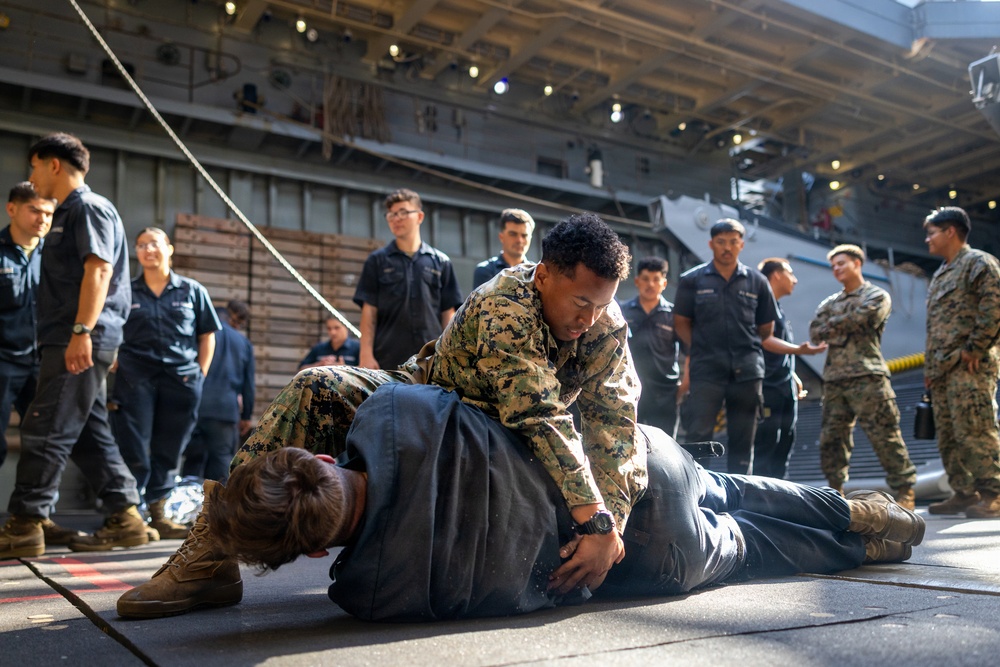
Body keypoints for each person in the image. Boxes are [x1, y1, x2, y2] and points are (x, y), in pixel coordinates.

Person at [117, 212, 645, 618]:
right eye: (580, 302)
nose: (590, 318)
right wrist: (592, 517)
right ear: (544, 275)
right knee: (318, 385)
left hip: (500, 441)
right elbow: (540, 413)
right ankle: (213, 549)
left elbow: (616, 424)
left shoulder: (604, 325)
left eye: (601, 305)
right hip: (430, 402)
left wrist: (610, 527)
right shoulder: (506, 302)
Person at [206, 382, 924, 622]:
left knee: (758, 547)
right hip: (636, 463)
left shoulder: (369, 593)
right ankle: (863, 510)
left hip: (655, 565)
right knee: (733, 486)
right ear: (323, 456)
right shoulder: (394, 413)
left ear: (306, 549)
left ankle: (864, 544)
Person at [0, 132, 147, 558]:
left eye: (34, 166)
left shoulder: (86, 208)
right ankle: (126, 517)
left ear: (54, 165)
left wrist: (82, 332)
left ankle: (25, 524)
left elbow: (99, 271)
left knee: (45, 426)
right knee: (86, 431)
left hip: (76, 338)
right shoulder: (74, 212)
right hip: (72, 337)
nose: (32, 176)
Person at [673, 219, 825, 474]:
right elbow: (681, 323)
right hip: (707, 370)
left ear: (741, 245)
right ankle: (697, 496)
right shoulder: (692, 280)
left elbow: (765, 329)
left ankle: (738, 501)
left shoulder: (757, 282)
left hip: (747, 372)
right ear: (711, 244)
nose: (727, 248)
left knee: (744, 438)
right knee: (699, 434)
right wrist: (701, 349)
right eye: (721, 242)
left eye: (733, 242)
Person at [111, 227, 220, 538]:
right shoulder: (125, 291)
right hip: (135, 380)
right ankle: (130, 513)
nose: (148, 250)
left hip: (181, 380)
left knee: (169, 449)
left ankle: (159, 511)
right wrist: (117, 363)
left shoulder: (192, 290)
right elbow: (110, 330)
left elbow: (206, 335)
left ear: (169, 249)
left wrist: (199, 374)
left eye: (154, 244)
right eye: (141, 244)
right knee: (134, 446)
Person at [810, 244, 917, 509]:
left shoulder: (877, 295)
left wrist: (833, 326)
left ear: (858, 263)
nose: (837, 269)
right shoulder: (829, 303)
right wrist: (844, 324)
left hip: (868, 376)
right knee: (832, 440)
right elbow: (815, 332)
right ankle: (835, 491)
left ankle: (905, 491)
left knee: (884, 434)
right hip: (834, 379)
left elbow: (865, 319)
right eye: (833, 265)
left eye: (842, 263)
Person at [922, 207, 1000, 518]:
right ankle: (964, 493)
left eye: (932, 232)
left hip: (969, 364)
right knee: (949, 434)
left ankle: (993, 492)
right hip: (942, 369)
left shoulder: (979, 263)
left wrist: (976, 348)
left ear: (950, 231)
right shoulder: (941, 273)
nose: (927, 239)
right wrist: (929, 369)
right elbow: (934, 326)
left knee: (976, 428)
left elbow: (994, 307)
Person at [354, 188, 463, 370]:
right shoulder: (377, 261)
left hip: (430, 360)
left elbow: (447, 313)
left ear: (420, 217)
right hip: (387, 358)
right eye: (391, 214)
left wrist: (449, 354)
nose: (396, 218)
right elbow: (369, 312)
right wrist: (365, 354)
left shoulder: (441, 262)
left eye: (403, 212)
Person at [1, 183, 53, 468]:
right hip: (3, 360)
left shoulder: (56, 258)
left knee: (43, 442)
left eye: (48, 212)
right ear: (12, 209)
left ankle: (33, 511)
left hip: (43, 365)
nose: (42, 218)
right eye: (34, 210)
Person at [182, 300, 256, 483]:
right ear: (235, 320)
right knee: (221, 463)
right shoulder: (243, 343)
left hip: (196, 407)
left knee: (192, 462)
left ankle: (186, 507)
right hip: (225, 411)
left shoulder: (201, 335)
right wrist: (246, 415)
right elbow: (249, 386)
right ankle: (217, 508)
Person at [753, 258, 808, 479]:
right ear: (776, 274)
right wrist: (800, 350)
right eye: (790, 273)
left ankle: (780, 494)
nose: (794, 280)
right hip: (768, 387)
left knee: (786, 439)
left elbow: (776, 347)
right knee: (767, 443)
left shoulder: (778, 308)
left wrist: (792, 374)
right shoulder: (760, 306)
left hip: (784, 385)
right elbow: (764, 342)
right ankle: (760, 500)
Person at [619, 256, 685, 438]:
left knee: (667, 446)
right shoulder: (623, 312)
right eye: (646, 279)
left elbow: (691, 352)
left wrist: (683, 387)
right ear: (637, 281)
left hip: (665, 392)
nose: (651, 284)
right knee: (630, 442)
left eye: (656, 279)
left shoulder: (674, 315)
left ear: (664, 283)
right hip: (630, 390)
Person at [471, 208, 535, 289]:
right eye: (513, 234)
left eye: (524, 235)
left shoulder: (536, 273)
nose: (519, 240)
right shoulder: (485, 271)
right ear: (501, 237)